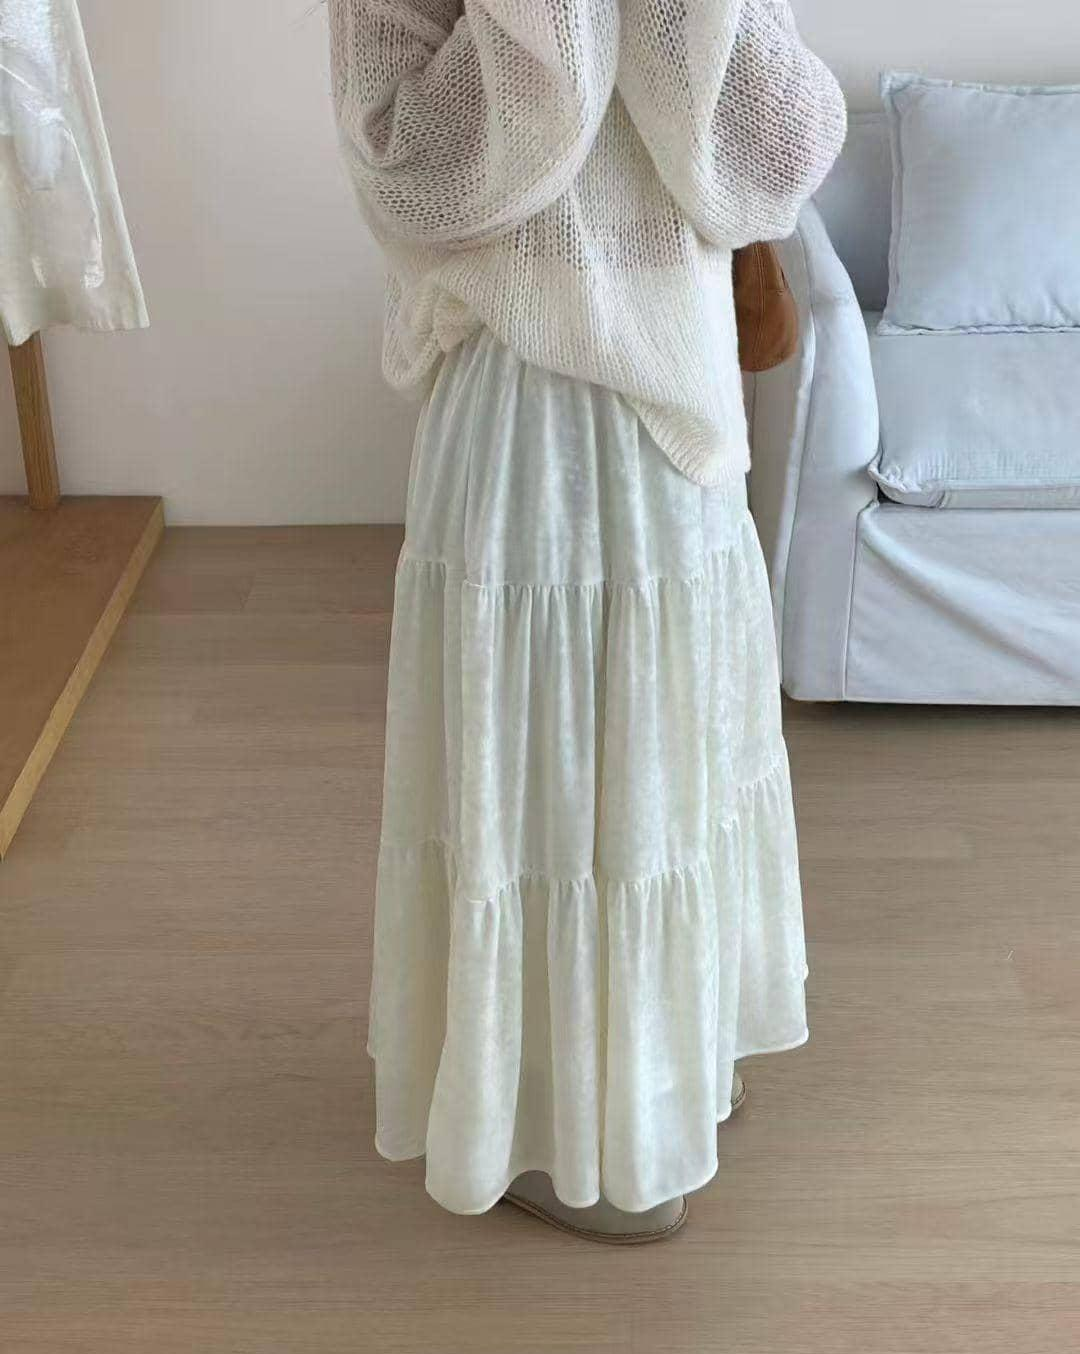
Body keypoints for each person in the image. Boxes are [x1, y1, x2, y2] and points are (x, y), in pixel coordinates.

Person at [329, 0, 846, 1242]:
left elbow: (772, 162)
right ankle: (554, 1120)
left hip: (679, 422)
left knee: (670, 771)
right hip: (522, 415)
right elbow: (414, 179)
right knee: (544, 790)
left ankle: (659, 1069)